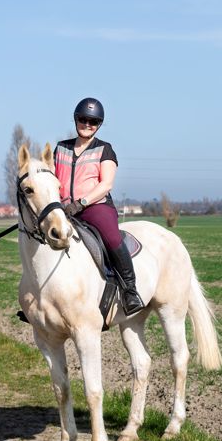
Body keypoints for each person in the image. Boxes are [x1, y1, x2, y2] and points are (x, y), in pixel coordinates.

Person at [54, 97, 145, 316]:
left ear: (99, 125)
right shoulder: (60, 148)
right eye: (83, 120)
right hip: (64, 208)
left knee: (112, 237)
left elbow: (106, 184)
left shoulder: (104, 149)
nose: (87, 125)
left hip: (95, 207)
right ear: (76, 120)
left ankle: (130, 291)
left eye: (93, 122)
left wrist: (82, 203)